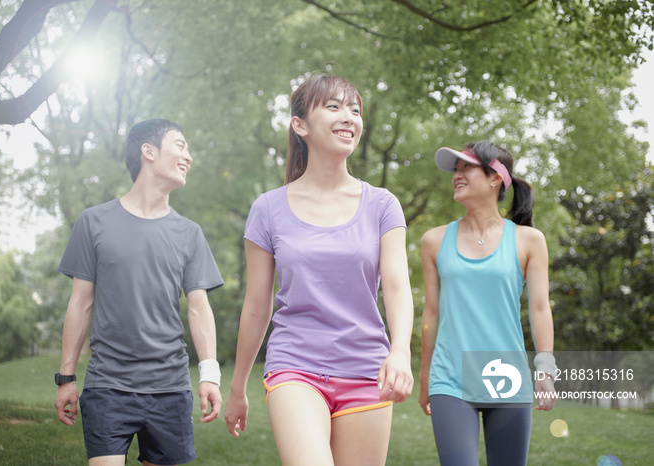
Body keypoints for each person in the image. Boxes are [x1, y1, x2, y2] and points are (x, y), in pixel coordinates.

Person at [223, 74, 415, 465]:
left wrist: (400, 353)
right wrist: (239, 386)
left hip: (366, 370)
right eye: (334, 107)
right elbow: (258, 306)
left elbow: (396, 288)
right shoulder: (268, 209)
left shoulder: (382, 205)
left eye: (355, 110)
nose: (349, 117)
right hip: (296, 365)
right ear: (300, 125)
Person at [54, 119, 224, 466]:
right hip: (107, 387)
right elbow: (81, 303)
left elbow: (198, 308)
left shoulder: (189, 233)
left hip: (170, 390)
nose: (188, 156)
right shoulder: (93, 222)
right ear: (148, 151)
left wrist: (210, 376)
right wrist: (66, 378)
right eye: (180, 145)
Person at [418, 141, 558, 465]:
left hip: (508, 378)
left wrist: (545, 369)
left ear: (495, 177)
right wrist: (426, 377)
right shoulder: (434, 241)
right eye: (455, 169)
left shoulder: (529, 241)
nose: (457, 175)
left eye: (466, 167)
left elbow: (539, 308)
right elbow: (431, 312)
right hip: (450, 379)